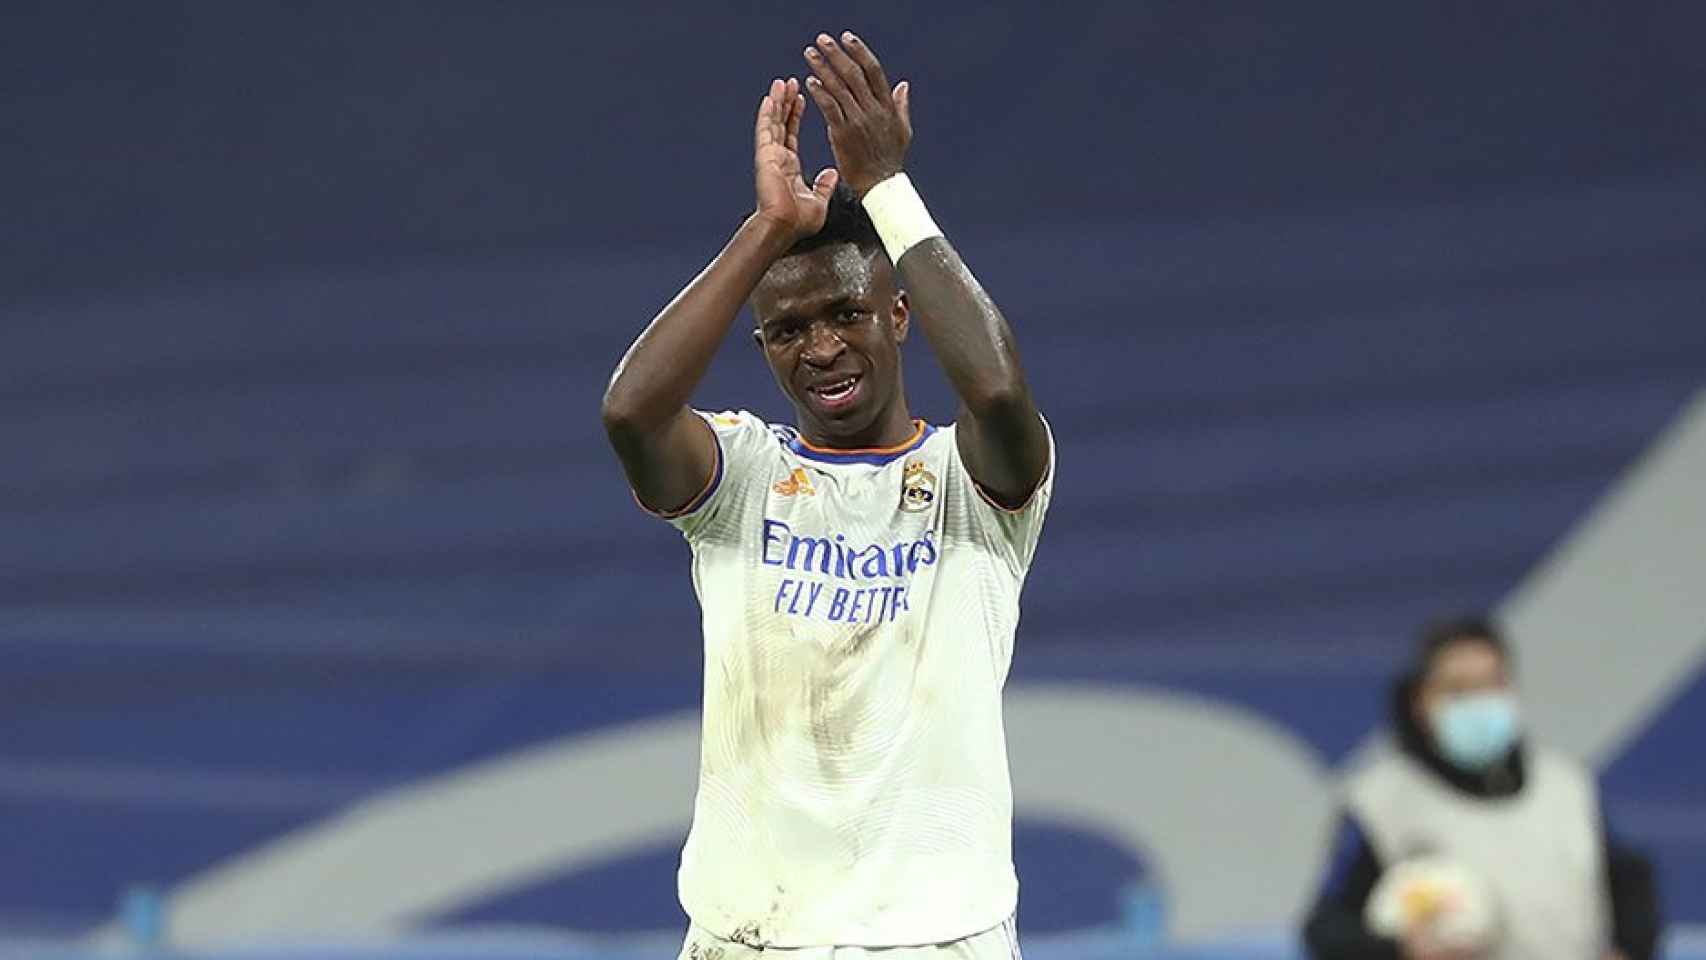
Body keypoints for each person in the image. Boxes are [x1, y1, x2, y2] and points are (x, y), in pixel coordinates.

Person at [600, 30, 1053, 960]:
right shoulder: (742, 476)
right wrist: (766, 229)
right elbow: (633, 415)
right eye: (787, 330)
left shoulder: (974, 484)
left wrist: (885, 188)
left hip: (938, 938)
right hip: (749, 936)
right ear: (763, 349)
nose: (821, 349)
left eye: (847, 313)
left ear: (899, 315)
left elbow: (1001, 393)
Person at [1303, 615, 1661, 960]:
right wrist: (1398, 950)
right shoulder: (1380, 800)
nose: (1479, 702)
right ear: (1420, 701)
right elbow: (1327, 930)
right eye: (1458, 689)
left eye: (1492, 684)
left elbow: (1630, 883)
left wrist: (1627, 949)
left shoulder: (1566, 785)